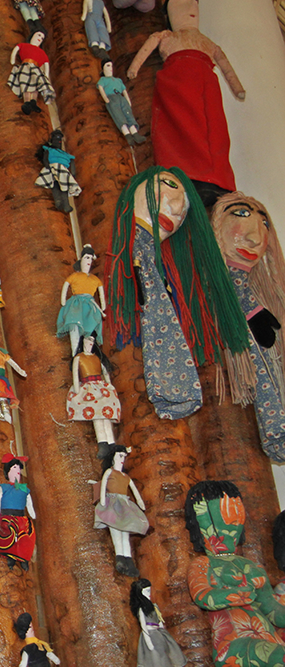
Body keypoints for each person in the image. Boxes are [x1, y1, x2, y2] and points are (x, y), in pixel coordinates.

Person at [106, 167, 249, 420]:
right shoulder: (129, 253)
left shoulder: (158, 263)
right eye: (168, 187)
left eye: (185, 208)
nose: (176, 208)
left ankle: (176, 393)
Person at [128, 0, 245, 204]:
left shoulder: (206, 42)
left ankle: (217, 180)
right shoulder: (167, 36)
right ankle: (184, 176)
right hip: (178, 83)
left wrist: (238, 88)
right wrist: (133, 68)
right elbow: (146, 50)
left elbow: (226, 67)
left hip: (206, 87)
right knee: (179, 127)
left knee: (215, 131)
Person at [211, 192, 285, 463]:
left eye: (264, 224)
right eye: (240, 214)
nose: (256, 238)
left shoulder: (259, 290)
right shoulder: (216, 287)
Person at [185, 481, 285, 667]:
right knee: (279, 656)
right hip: (234, 646)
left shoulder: (250, 565)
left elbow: (273, 611)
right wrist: (238, 594)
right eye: (225, 515)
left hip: (268, 639)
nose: (233, 525)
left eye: (237, 515)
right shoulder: (203, 564)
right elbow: (203, 597)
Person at [95, 445, 148, 577]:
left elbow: (134, 491)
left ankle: (128, 561)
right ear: (113, 457)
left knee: (125, 533)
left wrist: (140, 502)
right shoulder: (109, 472)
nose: (122, 459)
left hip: (124, 505)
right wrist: (103, 501)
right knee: (116, 532)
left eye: (124, 456)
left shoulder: (125, 476)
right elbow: (103, 486)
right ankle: (120, 559)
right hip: (112, 504)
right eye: (120, 456)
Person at [67, 336, 121, 458]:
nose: (90, 342)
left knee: (106, 415)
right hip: (88, 388)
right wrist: (77, 391)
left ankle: (111, 443)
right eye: (88, 339)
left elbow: (105, 372)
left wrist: (109, 385)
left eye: (92, 340)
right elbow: (75, 375)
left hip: (101, 387)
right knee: (97, 415)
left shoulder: (97, 357)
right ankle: (102, 443)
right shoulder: (79, 358)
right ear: (83, 340)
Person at [57, 245, 105, 355]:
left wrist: (103, 306)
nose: (89, 261)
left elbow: (101, 292)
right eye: (87, 257)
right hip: (76, 305)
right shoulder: (75, 276)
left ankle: (87, 353)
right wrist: (63, 300)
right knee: (74, 325)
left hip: (90, 307)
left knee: (90, 326)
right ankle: (75, 353)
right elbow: (66, 285)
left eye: (91, 258)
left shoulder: (95, 279)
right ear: (82, 259)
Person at [0, 455, 36, 571]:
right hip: (7, 518)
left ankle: (23, 560)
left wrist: (32, 513)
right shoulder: (3, 488)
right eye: (14, 468)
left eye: (18, 469)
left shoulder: (24, 489)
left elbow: (29, 502)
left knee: (24, 539)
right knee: (8, 538)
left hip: (21, 518)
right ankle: (11, 558)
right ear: (8, 472)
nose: (17, 471)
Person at [129, 579, 187, 667]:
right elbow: (144, 626)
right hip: (150, 635)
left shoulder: (154, 606)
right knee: (154, 657)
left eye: (149, 590)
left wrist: (163, 632)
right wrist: (149, 643)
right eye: (147, 591)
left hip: (158, 634)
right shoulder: (142, 609)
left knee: (166, 652)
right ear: (140, 593)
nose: (149, 593)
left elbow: (159, 620)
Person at [96, 60, 145, 145]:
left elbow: (124, 91)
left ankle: (135, 134)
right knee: (119, 117)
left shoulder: (118, 80)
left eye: (111, 66)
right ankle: (127, 135)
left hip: (121, 98)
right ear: (103, 69)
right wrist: (106, 99)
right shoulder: (103, 80)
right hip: (112, 99)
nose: (110, 68)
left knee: (128, 115)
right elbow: (100, 88)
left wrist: (128, 100)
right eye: (108, 66)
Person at [7, 30, 54, 115]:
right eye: (39, 35)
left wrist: (46, 75)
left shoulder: (42, 52)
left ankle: (33, 102)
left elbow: (46, 63)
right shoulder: (24, 45)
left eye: (42, 38)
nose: (40, 38)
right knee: (26, 83)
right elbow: (16, 49)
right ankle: (27, 102)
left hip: (36, 69)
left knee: (35, 86)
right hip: (26, 66)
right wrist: (12, 60)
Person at [35, 129, 80, 213]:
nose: (58, 142)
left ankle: (65, 204)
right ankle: (59, 202)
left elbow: (72, 161)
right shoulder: (49, 150)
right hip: (53, 168)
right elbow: (45, 157)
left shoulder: (64, 154)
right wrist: (47, 165)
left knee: (61, 187)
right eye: (56, 139)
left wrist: (73, 174)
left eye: (59, 140)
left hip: (61, 169)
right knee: (56, 186)